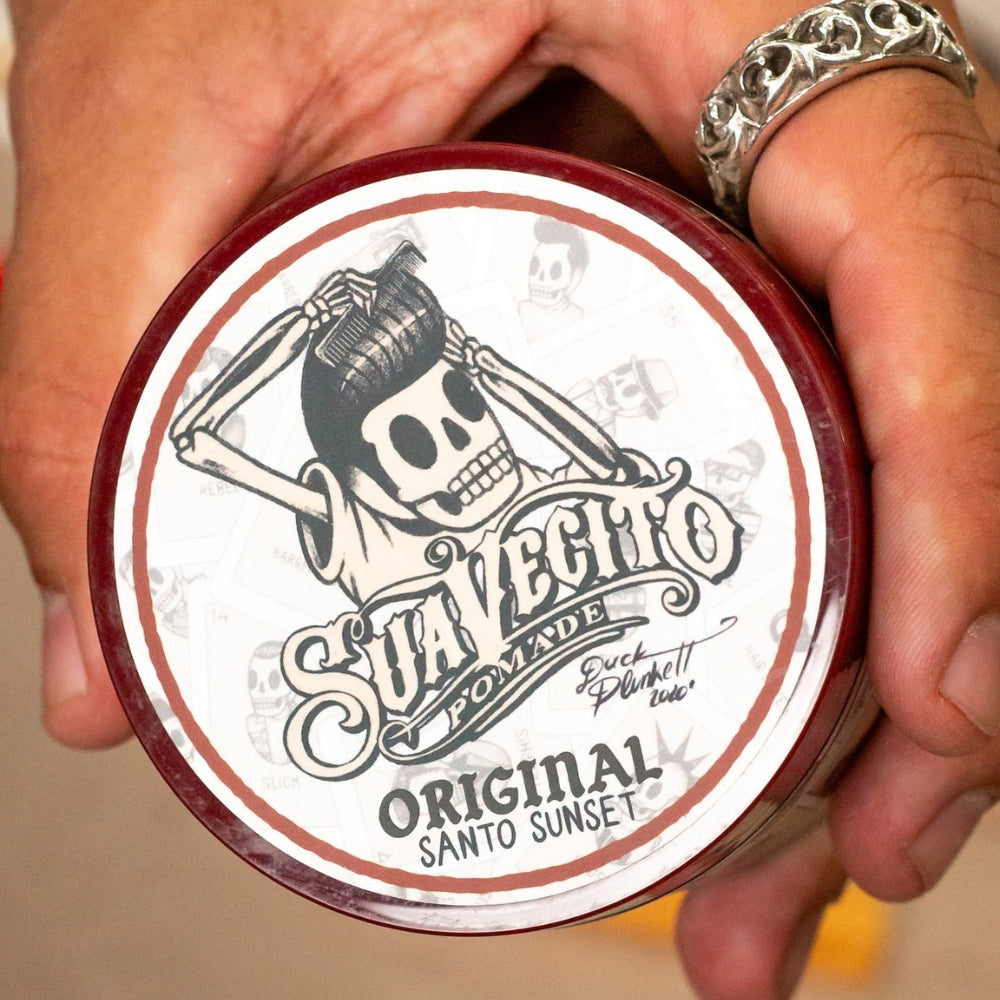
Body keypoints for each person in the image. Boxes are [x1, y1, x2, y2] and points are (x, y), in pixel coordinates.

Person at [0, 2, 998, 998]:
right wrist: (293, 324)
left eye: (463, 409)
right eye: (412, 444)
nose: (462, 449)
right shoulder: (338, 517)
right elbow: (194, 437)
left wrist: (487, 368)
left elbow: (604, 455)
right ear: (359, 477)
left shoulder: (540, 462)